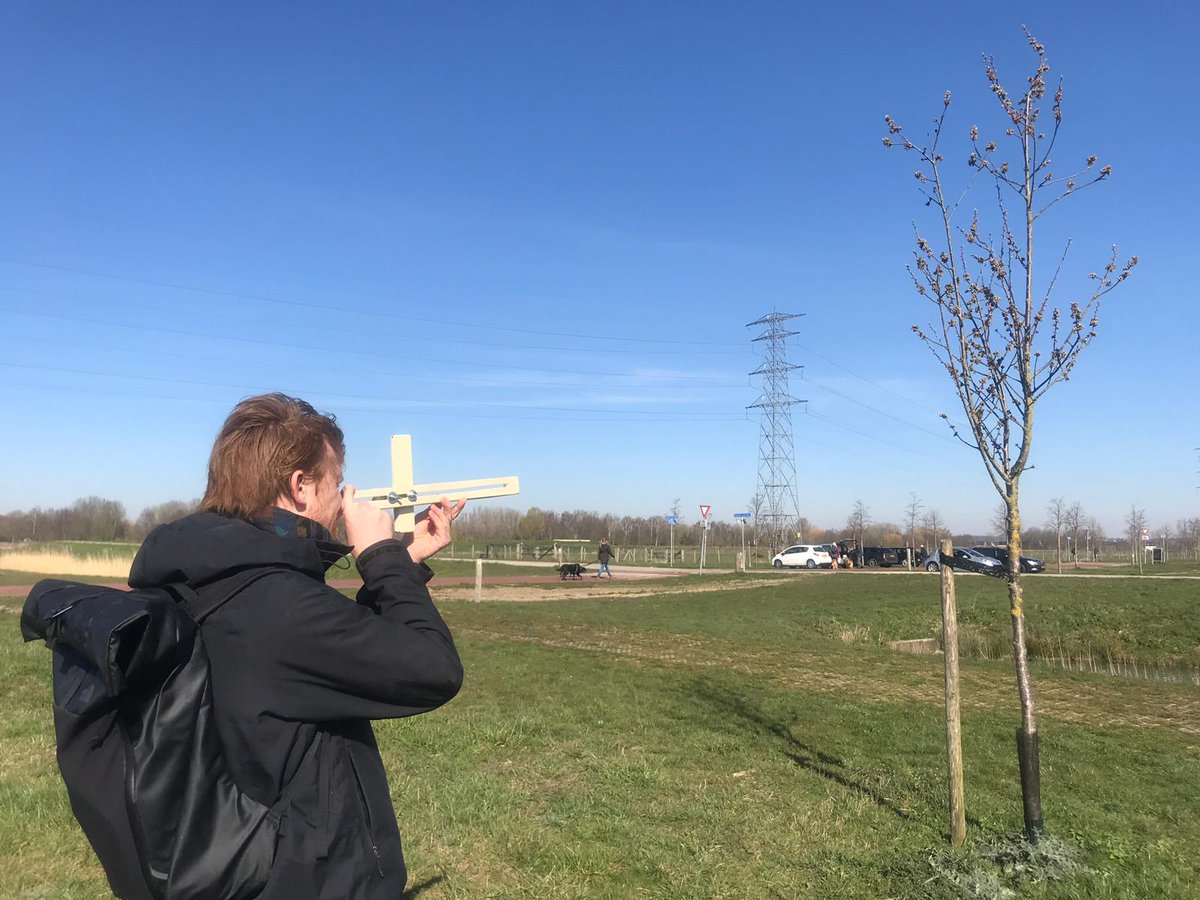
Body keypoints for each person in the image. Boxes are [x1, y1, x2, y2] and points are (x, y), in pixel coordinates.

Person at [128, 393, 464, 899]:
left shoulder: (212, 575)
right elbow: (433, 668)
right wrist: (379, 555)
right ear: (300, 486)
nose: (344, 497)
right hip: (308, 875)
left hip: (242, 853)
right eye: (337, 481)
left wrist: (404, 561)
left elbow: (329, 652)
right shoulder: (277, 603)